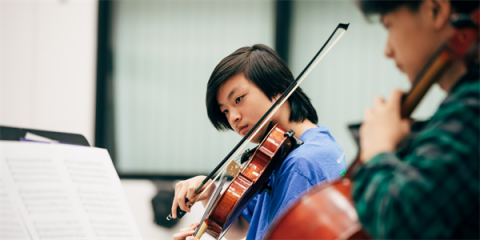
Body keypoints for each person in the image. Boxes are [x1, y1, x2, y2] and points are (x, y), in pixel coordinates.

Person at [171, 44, 347, 240]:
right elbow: (253, 224)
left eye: (238, 99)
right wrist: (211, 192)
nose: (233, 118)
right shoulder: (315, 144)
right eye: (225, 111)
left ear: (277, 88)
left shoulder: (299, 164)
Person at [353, 0, 480, 239]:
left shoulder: (473, 104)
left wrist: (377, 150)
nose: (387, 50)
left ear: (436, 9)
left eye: (388, 25)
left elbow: (398, 220)